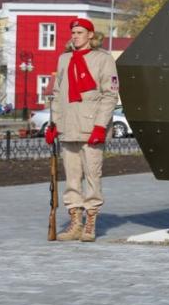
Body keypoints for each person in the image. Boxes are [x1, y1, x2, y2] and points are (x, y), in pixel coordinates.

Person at [47, 18, 120, 243]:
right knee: (72, 178)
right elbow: (57, 94)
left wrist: (100, 125)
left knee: (92, 176)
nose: (75, 36)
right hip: (68, 128)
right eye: (73, 32)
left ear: (90, 35)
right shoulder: (64, 59)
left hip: (91, 129)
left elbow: (110, 95)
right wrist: (54, 123)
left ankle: (90, 221)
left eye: (80, 32)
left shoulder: (103, 59)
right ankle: (75, 222)